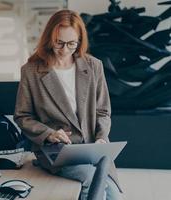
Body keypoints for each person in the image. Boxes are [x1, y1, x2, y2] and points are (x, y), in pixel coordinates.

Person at [14, 9, 122, 200]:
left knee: (114, 194)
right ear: (49, 38)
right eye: (59, 43)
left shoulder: (93, 65)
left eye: (72, 43)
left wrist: (102, 137)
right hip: (57, 150)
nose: (65, 50)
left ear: (80, 40)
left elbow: (103, 111)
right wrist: (49, 134)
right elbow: (23, 116)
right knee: (93, 180)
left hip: (92, 148)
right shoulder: (31, 71)